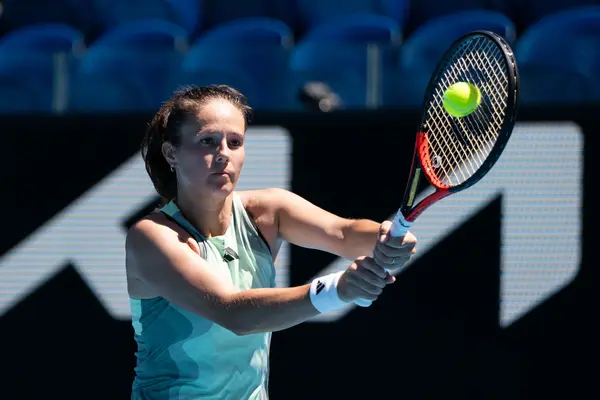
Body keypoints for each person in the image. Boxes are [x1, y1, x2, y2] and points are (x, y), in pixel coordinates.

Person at [126, 85, 417, 400]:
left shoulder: (269, 211)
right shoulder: (152, 237)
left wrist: (385, 239)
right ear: (172, 153)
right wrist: (337, 290)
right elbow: (232, 314)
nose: (224, 153)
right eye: (207, 141)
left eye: (235, 142)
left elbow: (345, 233)